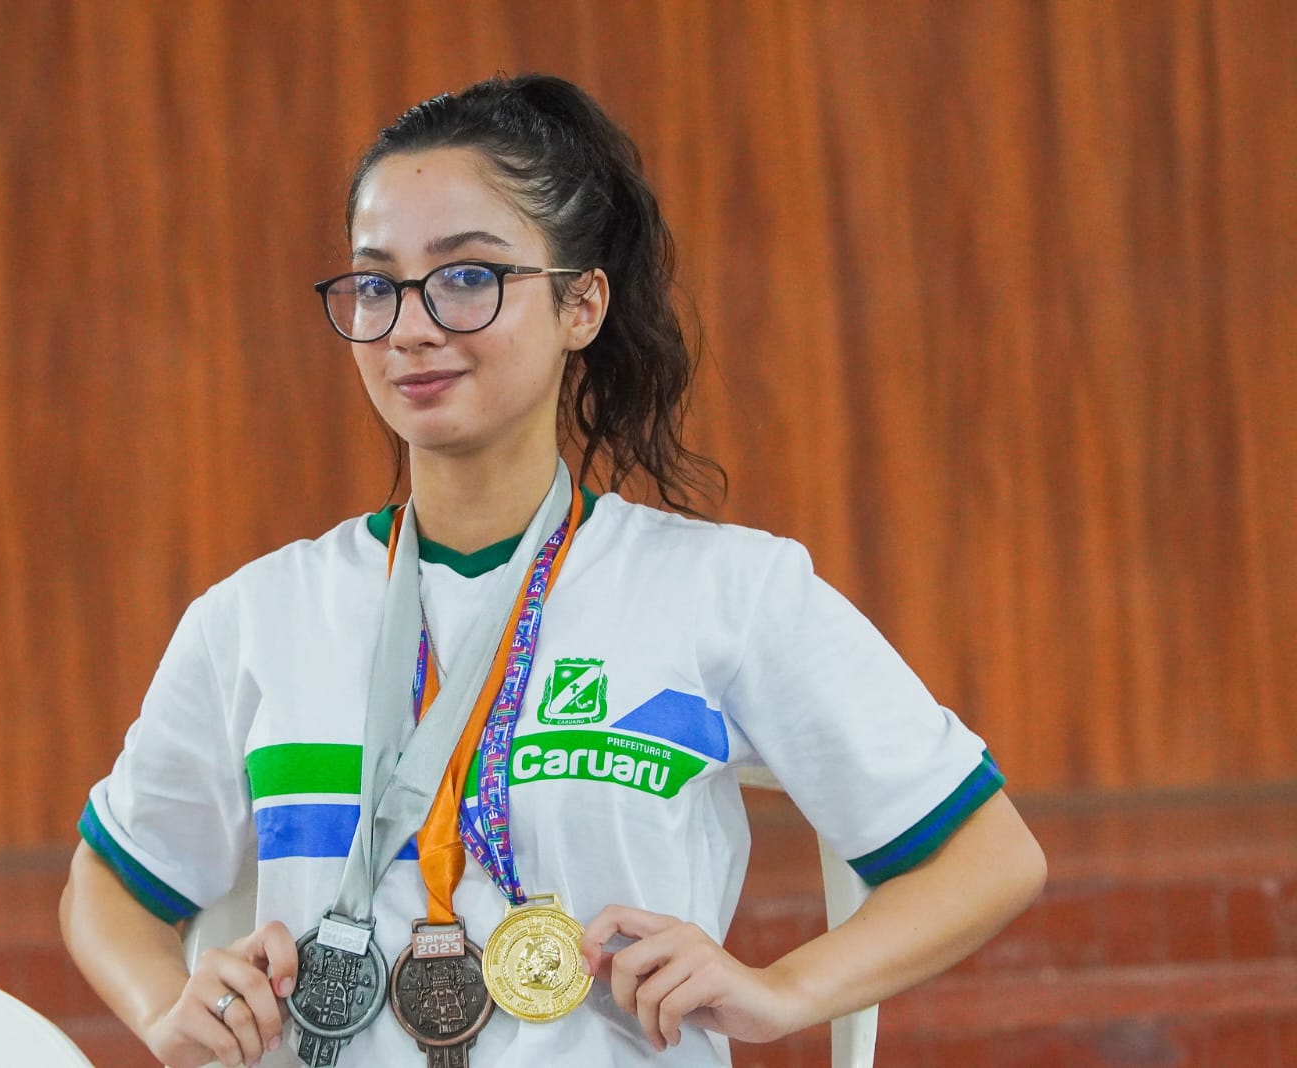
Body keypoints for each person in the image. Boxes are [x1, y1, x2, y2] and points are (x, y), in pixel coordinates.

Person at [60, 73, 1046, 1068]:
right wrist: (165, 1004)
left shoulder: (727, 592)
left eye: (466, 276)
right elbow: (109, 886)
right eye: (376, 284)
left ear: (582, 304)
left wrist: (782, 991)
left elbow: (988, 857)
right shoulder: (255, 617)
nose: (410, 327)